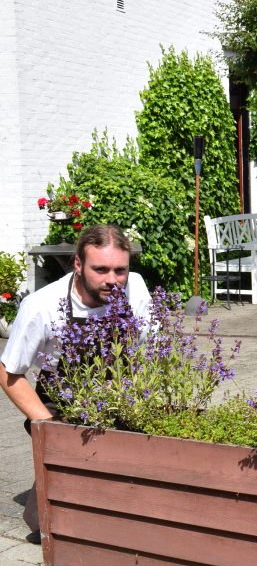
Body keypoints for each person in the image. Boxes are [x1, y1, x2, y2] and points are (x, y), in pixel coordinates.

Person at [0, 225, 152, 536]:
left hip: (118, 397)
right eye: (101, 269)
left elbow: (150, 352)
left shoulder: (134, 287)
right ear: (78, 265)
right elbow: (9, 372)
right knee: (42, 523)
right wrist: (49, 426)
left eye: (119, 270)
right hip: (63, 406)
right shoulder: (42, 306)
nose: (112, 279)